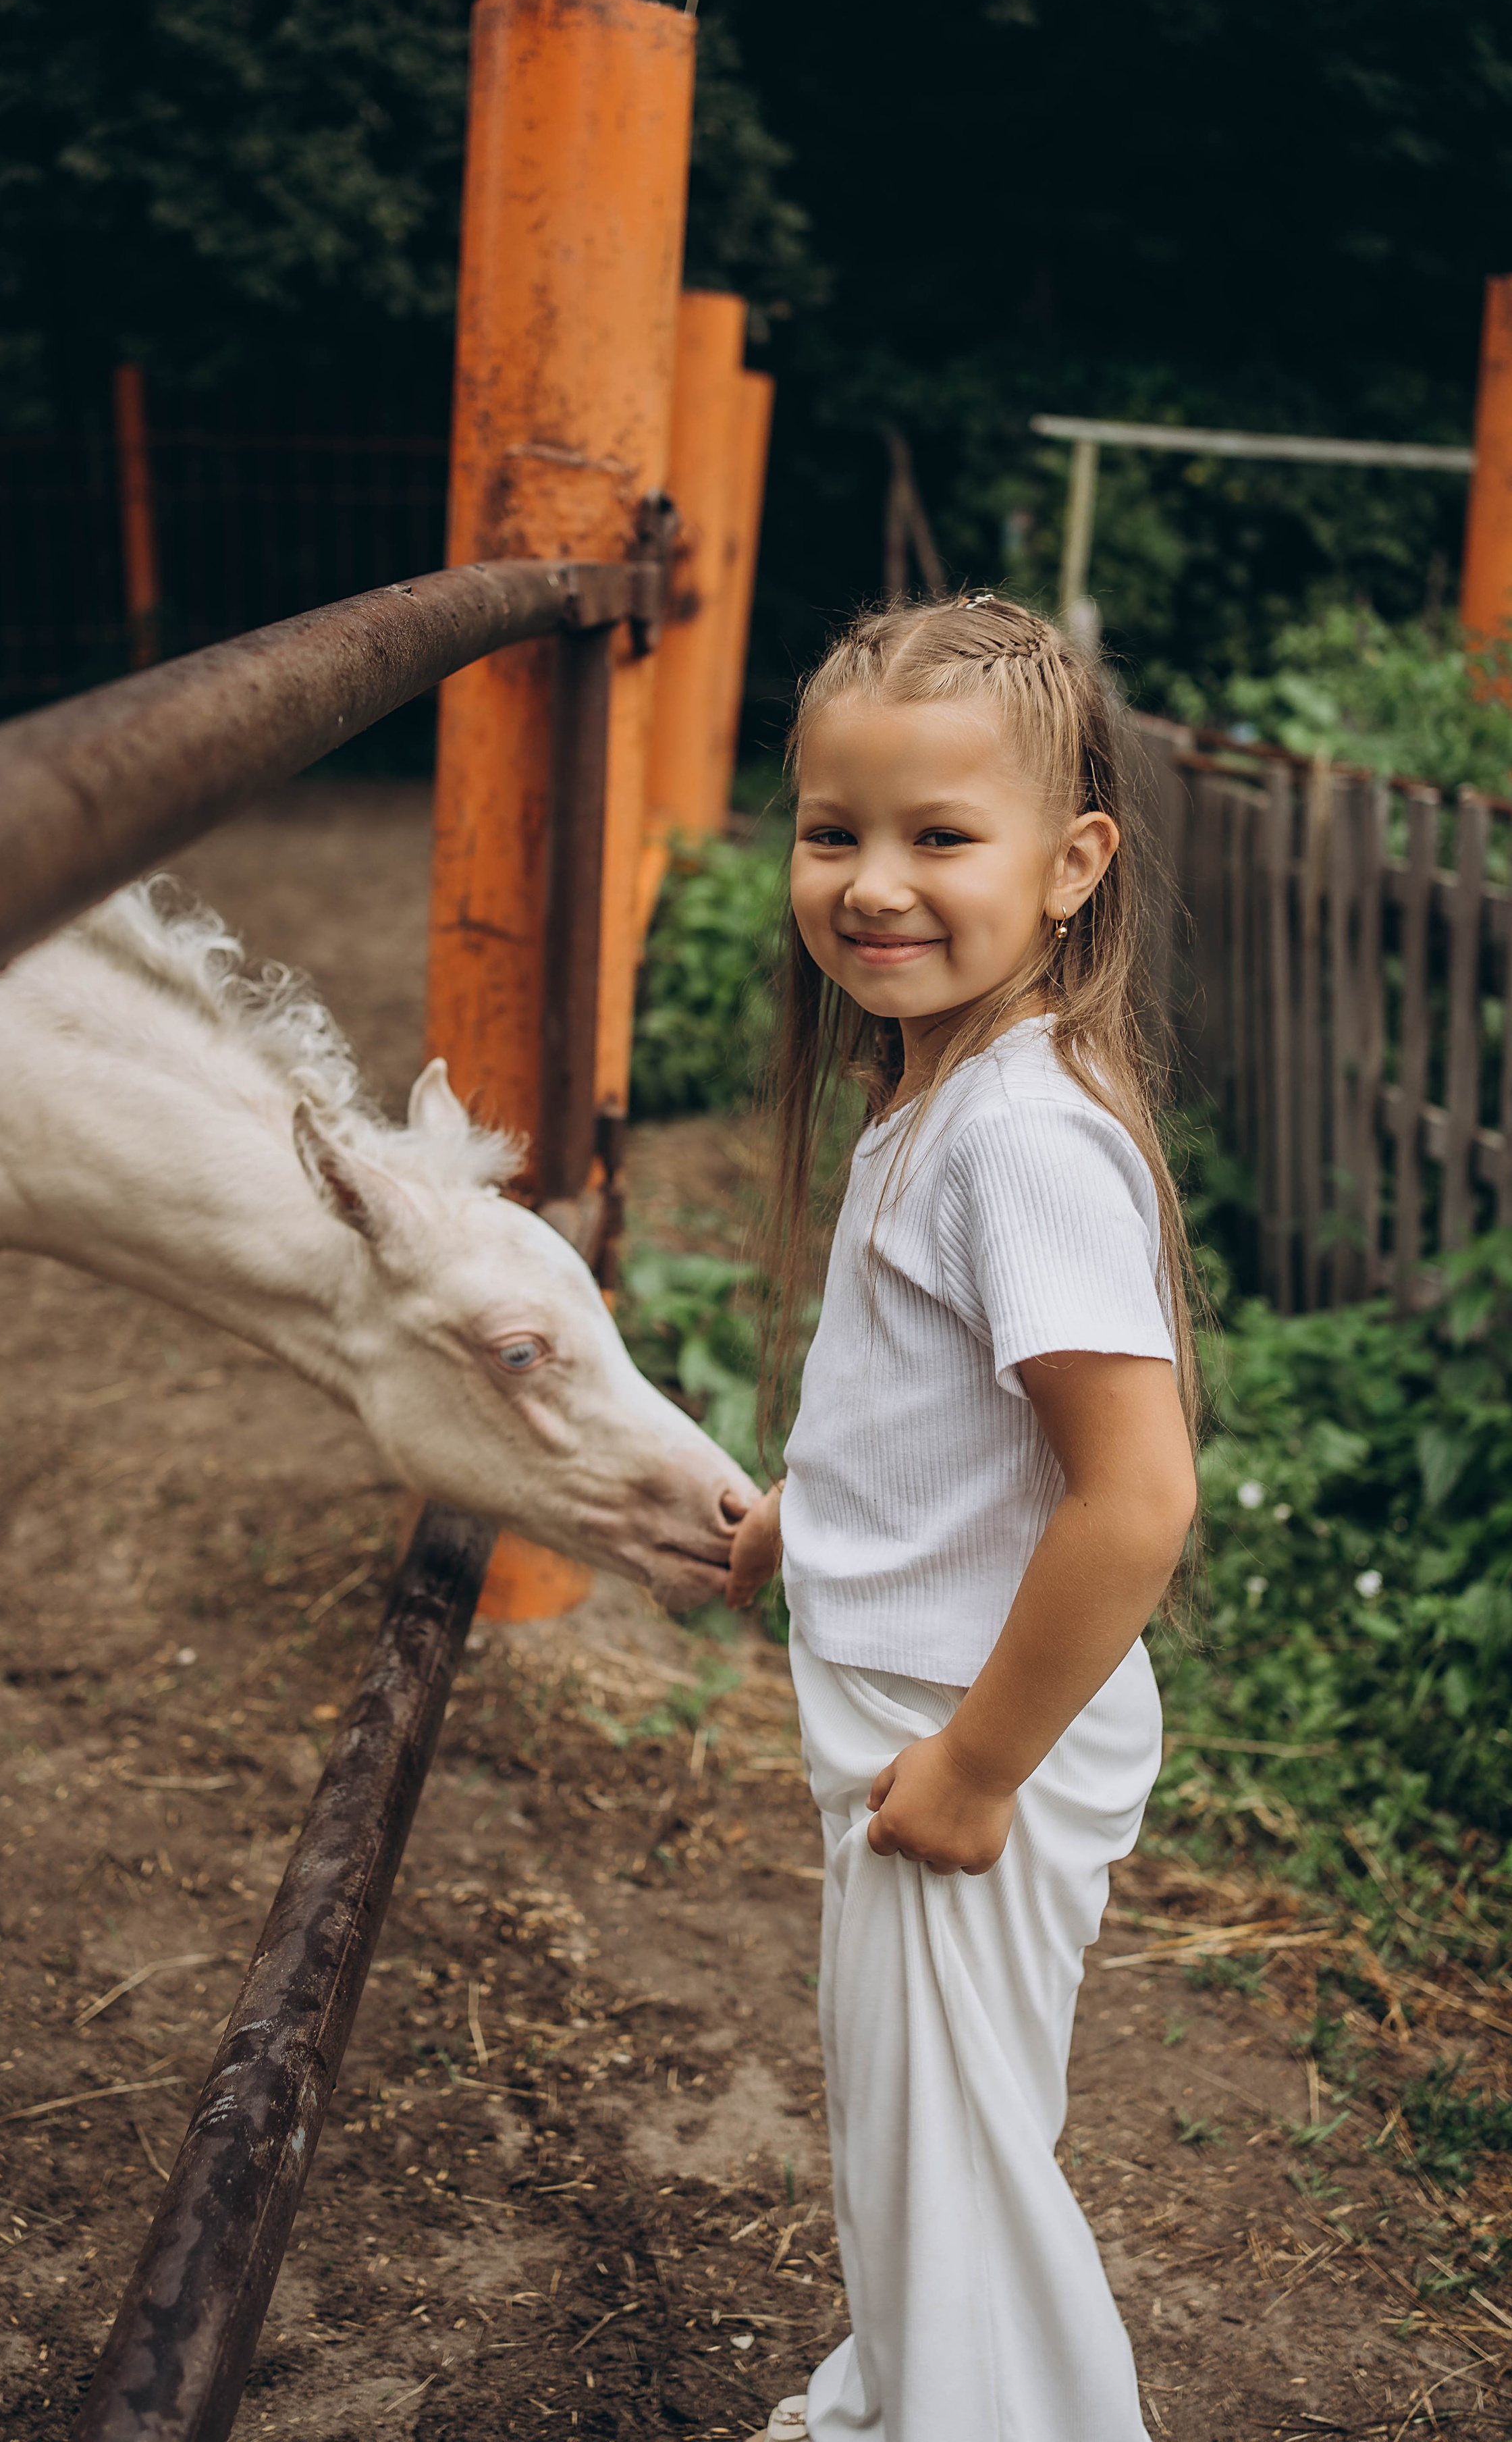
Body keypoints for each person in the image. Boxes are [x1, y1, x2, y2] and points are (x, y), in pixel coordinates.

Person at [727, 595, 1200, 2442]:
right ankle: (903, 2396)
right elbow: (943, 1420)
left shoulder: (1020, 1133)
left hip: (966, 1736)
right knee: (924, 2138)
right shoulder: (939, 1092)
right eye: (835, 832)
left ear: (1074, 863)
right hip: (929, 1703)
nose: (873, 885)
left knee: (960, 2171)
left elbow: (1133, 1495)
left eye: (942, 838)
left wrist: (981, 1767)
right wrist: (807, 1508)